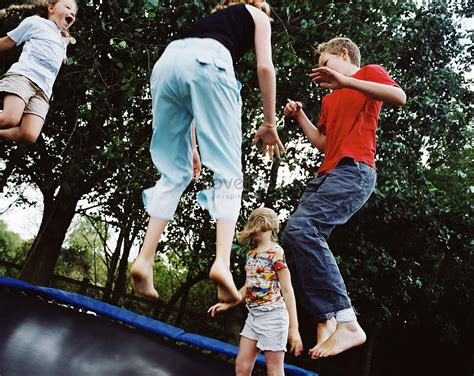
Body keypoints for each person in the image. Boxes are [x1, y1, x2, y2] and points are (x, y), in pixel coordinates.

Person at [130, 0, 285, 303]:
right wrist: (269, 122)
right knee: (228, 174)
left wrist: (193, 148)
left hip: (168, 63)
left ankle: (144, 260)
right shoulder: (258, 16)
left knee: (175, 171)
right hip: (210, 65)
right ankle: (222, 265)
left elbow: (187, 89)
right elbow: (265, 67)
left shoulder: (207, 25)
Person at [282, 37, 406, 358]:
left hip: (355, 170)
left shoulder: (368, 73)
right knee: (292, 236)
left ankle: (347, 321)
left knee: (303, 230)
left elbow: (399, 96)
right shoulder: (330, 100)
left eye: (325, 65)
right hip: (327, 174)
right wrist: (299, 117)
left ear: (343, 54)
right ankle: (326, 317)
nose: (323, 74)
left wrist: (348, 80)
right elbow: (323, 143)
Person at [208, 207, 303, 376]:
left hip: (273, 316)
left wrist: (293, 328)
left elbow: (287, 290)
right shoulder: (251, 254)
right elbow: (248, 287)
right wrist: (228, 304)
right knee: (242, 367)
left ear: (268, 227)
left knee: (274, 371)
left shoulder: (276, 252)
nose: (255, 234)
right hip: (254, 316)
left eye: (259, 230)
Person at [0, 0, 77, 144]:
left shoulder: (62, 41)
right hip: (24, 77)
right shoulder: (36, 23)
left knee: (29, 134)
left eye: (74, 13)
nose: (72, 13)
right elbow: (6, 42)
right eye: (67, 7)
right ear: (51, 8)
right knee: (10, 118)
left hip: (44, 91)